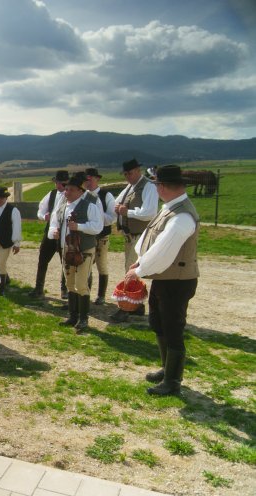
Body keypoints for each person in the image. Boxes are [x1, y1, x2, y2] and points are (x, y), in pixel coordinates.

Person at [124, 165, 199, 396]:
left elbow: (164, 250)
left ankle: (173, 381)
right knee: (158, 322)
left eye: (156, 184)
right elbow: (150, 239)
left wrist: (139, 270)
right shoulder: (170, 209)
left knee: (172, 327)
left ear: (164, 187)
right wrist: (140, 261)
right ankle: (167, 369)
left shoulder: (182, 216)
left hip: (176, 281)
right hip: (165, 278)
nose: (155, 188)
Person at [50, 172, 103, 331]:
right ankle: (73, 316)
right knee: (70, 283)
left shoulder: (90, 206)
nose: (67, 192)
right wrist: (54, 232)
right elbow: (53, 224)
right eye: (66, 189)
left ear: (80, 191)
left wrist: (79, 227)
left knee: (81, 283)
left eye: (71, 190)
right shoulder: (62, 206)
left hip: (84, 250)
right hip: (67, 249)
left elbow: (97, 227)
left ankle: (83, 318)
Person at [112, 159, 158, 322]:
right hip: (130, 235)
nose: (127, 177)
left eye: (129, 173)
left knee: (130, 271)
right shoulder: (130, 187)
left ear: (138, 170)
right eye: (125, 174)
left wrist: (127, 212)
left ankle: (125, 308)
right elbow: (116, 203)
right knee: (131, 270)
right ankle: (136, 305)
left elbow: (150, 212)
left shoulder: (148, 186)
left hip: (140, 235)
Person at [29, 171, 69, 299]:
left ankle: (65, 290)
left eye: (60, 182)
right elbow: (41, 210)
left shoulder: (71, 195)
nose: (58, 185)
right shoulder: (52, 194)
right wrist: (44, 216)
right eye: (57, 182)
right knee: (42, 260)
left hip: (64, 233)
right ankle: (39, 288)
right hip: (50, 232)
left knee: (65, 262)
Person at [83, 168, 117, 305]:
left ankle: (101, 296)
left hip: (102, 237)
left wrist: (96, 214)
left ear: (97, 179)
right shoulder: (83, 195)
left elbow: (112, 218)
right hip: (86, 236)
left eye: (90, 178)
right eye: (86, 179)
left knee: (102, 265)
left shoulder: (106, 195)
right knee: (86, 266)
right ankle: (86, 293)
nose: (88, 181)